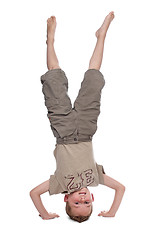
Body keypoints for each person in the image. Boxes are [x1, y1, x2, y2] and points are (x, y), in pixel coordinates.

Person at [30, 11, 125, 223]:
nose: (82, 199)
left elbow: (34, 194)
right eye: (87, 203)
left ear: (66, 198)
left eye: (76, 204)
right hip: (86, 129)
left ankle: (50, 40)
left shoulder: (59, 184)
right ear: (92, 197)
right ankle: (101, 35)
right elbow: (120, 188)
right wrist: (112, 212)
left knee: (54, 77)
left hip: (63, 130)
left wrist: (45, 215)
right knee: (94, 77)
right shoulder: (95, 179)